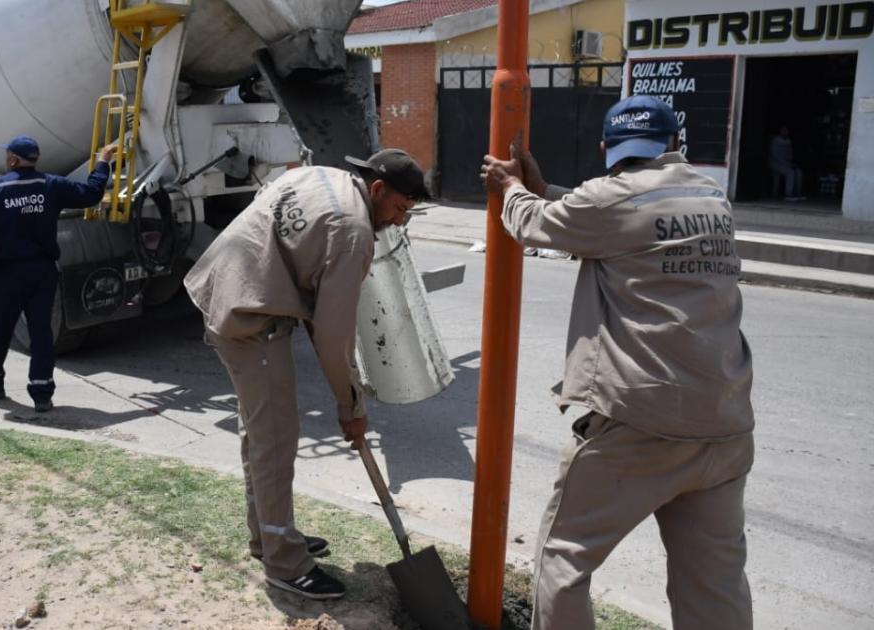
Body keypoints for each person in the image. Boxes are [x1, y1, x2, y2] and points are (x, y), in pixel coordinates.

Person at [481, 95, 755, 630]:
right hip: (725, 426)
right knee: (714, 584)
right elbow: (616, 221)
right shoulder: (711, 196)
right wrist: (546, 190)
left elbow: (538, 225)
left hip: (640, 422)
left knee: (563, 561)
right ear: (674, 143)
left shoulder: (610, 196)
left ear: (608, 148)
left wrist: (512, 189)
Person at [184, 148, 428, 601]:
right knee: (275, 439)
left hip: (226, 283)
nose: (398, 222)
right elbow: (333, 336)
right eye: (398, 209)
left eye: (407, 213)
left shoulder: (323, 176)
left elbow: (318, 304)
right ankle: (284, 563)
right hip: (250, 317)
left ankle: (268, 536)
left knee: (261, 433)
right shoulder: (354, 233)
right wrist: (350, 406)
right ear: (377, 189)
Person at [0, 135, 117, 412]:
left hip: (7, 274)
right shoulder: (51, 185)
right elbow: (91, 194)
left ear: (13, 159)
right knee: (40, 332)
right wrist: (102, 162)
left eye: (7, 155)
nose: (6, 158)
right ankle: (41, 394)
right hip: (41, 272)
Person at [768, 124, 804, 201]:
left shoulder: (788, 141)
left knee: (798, 171)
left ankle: (797, 193)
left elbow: (790, 155)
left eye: (786, 130)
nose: (785, 132)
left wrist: (791, 163)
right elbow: (775, 155)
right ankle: (788, 194)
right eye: (783, 130)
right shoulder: (775, 140)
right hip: (776, 163)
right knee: (790, 172)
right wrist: (786, 164)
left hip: (786, 164)